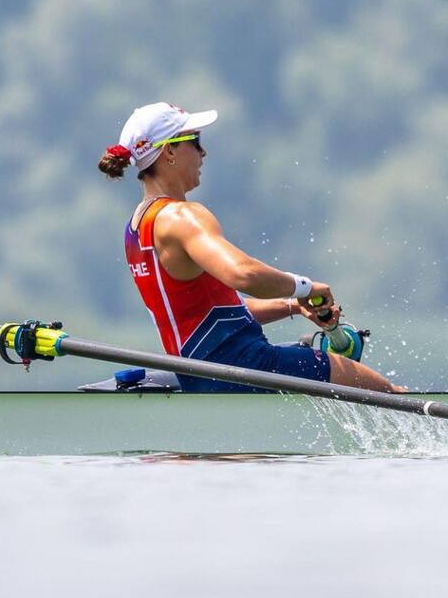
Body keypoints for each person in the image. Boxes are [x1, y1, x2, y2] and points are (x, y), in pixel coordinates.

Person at [98, 102, 402, 393]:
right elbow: (243, 275)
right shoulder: (182, 217)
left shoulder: (136, 230)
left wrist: (292, 306)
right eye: (196, 140)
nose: (203, 152)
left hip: (201, 376)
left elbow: (216, 313)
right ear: (170, 151)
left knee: (307, 347)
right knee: (387, 392)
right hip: (243, 367)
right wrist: (305, 288)